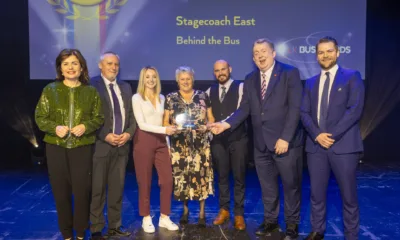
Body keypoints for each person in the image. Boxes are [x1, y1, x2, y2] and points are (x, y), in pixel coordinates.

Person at [211, 38, 303, 239]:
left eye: (263, 51)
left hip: (285, 143)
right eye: (256, 53)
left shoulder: (289, 73)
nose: (260, 55)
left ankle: (291, 225)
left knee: (290, 186)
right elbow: (244, 109)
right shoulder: (251, 79)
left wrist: (285, 138)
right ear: (253, 58)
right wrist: (225, 124)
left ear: (273, 53)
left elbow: (296, 108)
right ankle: (270, 222)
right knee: (267, 186)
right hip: (261, 144)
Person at [35, 48, 104, 240]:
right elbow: (40, 117)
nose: (70, 67)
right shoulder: (50, 90)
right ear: (60, 68)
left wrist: (86, 126)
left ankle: (81, 233)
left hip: (82, 147)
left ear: (81, 67)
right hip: (56, 147)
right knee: (61, 193)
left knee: (82, 193)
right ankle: (66, 235)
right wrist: (54, 127)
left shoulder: (90, 91)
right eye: (66, 64)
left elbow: (99, 118)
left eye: (74, 63)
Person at [301, 36, 364, 240]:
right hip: (316, 147)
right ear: (316, 56)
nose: (325, 55)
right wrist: (317, 135)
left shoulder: (352, 76)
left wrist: (331, 136)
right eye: (321, 52)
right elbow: (304, 113)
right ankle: (317, 230)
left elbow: (354, 110)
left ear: (338, 52)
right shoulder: (310, 83)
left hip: (344, 146)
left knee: (348, 196)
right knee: (316, 194)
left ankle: (351, 235)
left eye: (329, 51)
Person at [89, 52, 135, 239]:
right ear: (100, 65)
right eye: (109, 63)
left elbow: (132, 116)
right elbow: (88, 116)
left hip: (122, 147)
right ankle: (97, 228)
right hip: (101, 145)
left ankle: (115, 226)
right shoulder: (91, 85)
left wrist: (129, 134)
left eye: (116, 64)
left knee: (117, 189)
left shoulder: (125, 87)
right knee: (98, 189)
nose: (113, 67)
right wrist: (104, 135)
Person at [163, 66, 215, 227]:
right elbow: (165, 122)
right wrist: (173, 128)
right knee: (183, 179)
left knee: (201, 178)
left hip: (201, 145)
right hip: (180, 146)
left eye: (188, 79)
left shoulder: (203, 96)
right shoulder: (170, 98)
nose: (185, 82)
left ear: (193, 80)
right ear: (178, 81)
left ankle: (201, 213)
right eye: (182, 79)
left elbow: (211, 119)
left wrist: (206, 127)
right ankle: (185, 211)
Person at [132, 66, 179, 233]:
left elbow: (164, 122)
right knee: (144, 181)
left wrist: (167, 143)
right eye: (147, 77)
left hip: (161, 141)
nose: (150, 80)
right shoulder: (137, 98)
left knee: (167, 180)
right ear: (142, 80)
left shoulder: (162, 97)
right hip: (143, 140)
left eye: (153, 77)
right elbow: (142, 124)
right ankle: (146, 217)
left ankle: (164, 217)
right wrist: (164, 130)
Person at [205, 60, 248, 230]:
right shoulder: (209, 91)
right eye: (217, 70)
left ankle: (239, 214)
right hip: (218, 141)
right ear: (214, 73)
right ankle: (224, 210)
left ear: (230, 69)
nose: (220, 73)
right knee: (221, 177)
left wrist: (223, 124)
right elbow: (208, 115)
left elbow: (242, 112)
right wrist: (208, 125)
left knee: (239, 178)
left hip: (238, 139)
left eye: (223, 69)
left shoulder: (241, 87)